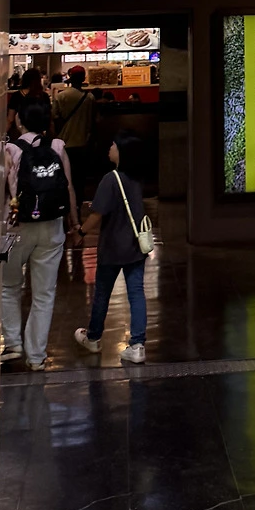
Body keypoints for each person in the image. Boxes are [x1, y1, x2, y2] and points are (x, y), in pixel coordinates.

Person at [1, 102, 78, 370]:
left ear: (19, 121)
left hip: (17, 226)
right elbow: (68, 188)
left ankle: (13, 343)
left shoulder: (9, 149)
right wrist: (75, 224)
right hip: (52, 226)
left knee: (8, 286)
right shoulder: (57, 146)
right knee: (44, 294)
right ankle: (36, 357)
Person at [74, 141, 150, 365]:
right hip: (135, 246)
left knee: (102, 294)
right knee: (136, 293)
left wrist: (80, 231)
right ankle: (138, 345)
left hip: (112, 248)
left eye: (114, 146)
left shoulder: (110, 179)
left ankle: (93, 338)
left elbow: (97, 214)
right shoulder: (136, 179)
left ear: (122, 152)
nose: (110, 148)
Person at [52, 64, 95, 200]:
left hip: (64, 143)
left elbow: (54, 117)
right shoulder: (89, 98)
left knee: (65, 177)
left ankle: (66, 203)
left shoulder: (61, 96)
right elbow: (93, 121)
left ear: (70, 78)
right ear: (83, 79)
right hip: (83, 143)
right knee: (80, 178)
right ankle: (78, 202)